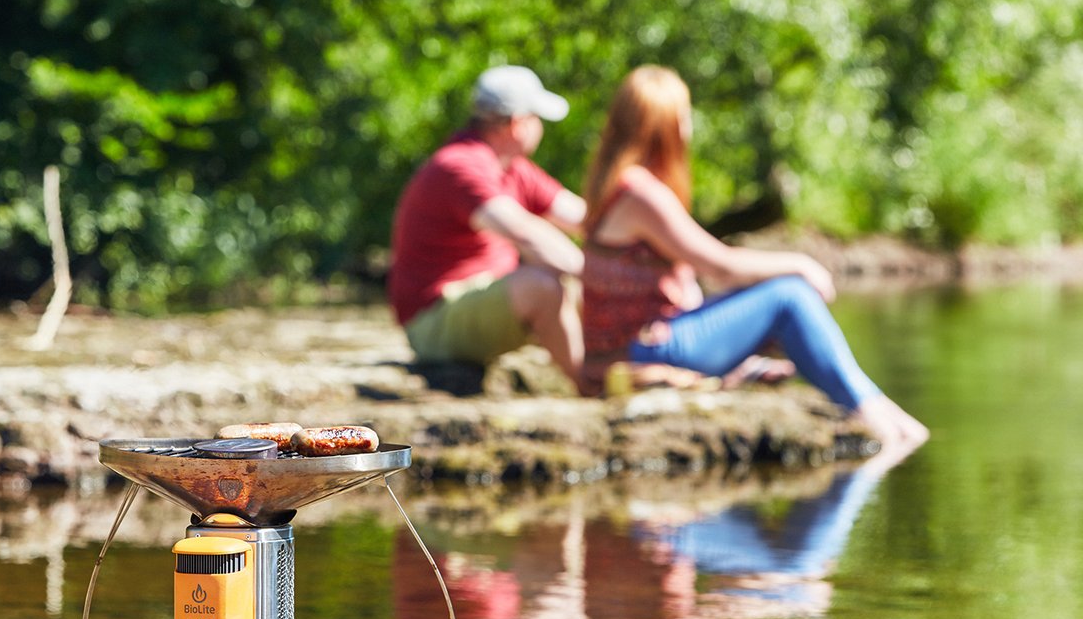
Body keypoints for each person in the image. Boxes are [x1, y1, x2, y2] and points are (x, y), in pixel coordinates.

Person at [579, 65, 928, 452]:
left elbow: (680, 286)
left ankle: (873, 407)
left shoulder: (612, 188)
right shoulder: (641, 193)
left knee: (781, 308)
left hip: (632, 346)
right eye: (685, 115)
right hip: (645, 349)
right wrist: (799, 263)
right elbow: (721, 267)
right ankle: (872, 414)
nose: (689, 126)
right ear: (667, 126)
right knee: (789, 297)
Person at [388, 65, 587, 388]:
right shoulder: (460, 165)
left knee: (581, 292)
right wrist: (602, 274)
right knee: (545, 286)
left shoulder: (513, 169)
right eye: (537, 119)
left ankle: (625, 371)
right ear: (517, 124)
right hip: (432, 322)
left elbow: (586, 219)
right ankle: (591, 386)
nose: (540, 128)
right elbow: (525, 232)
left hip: (475, 302)